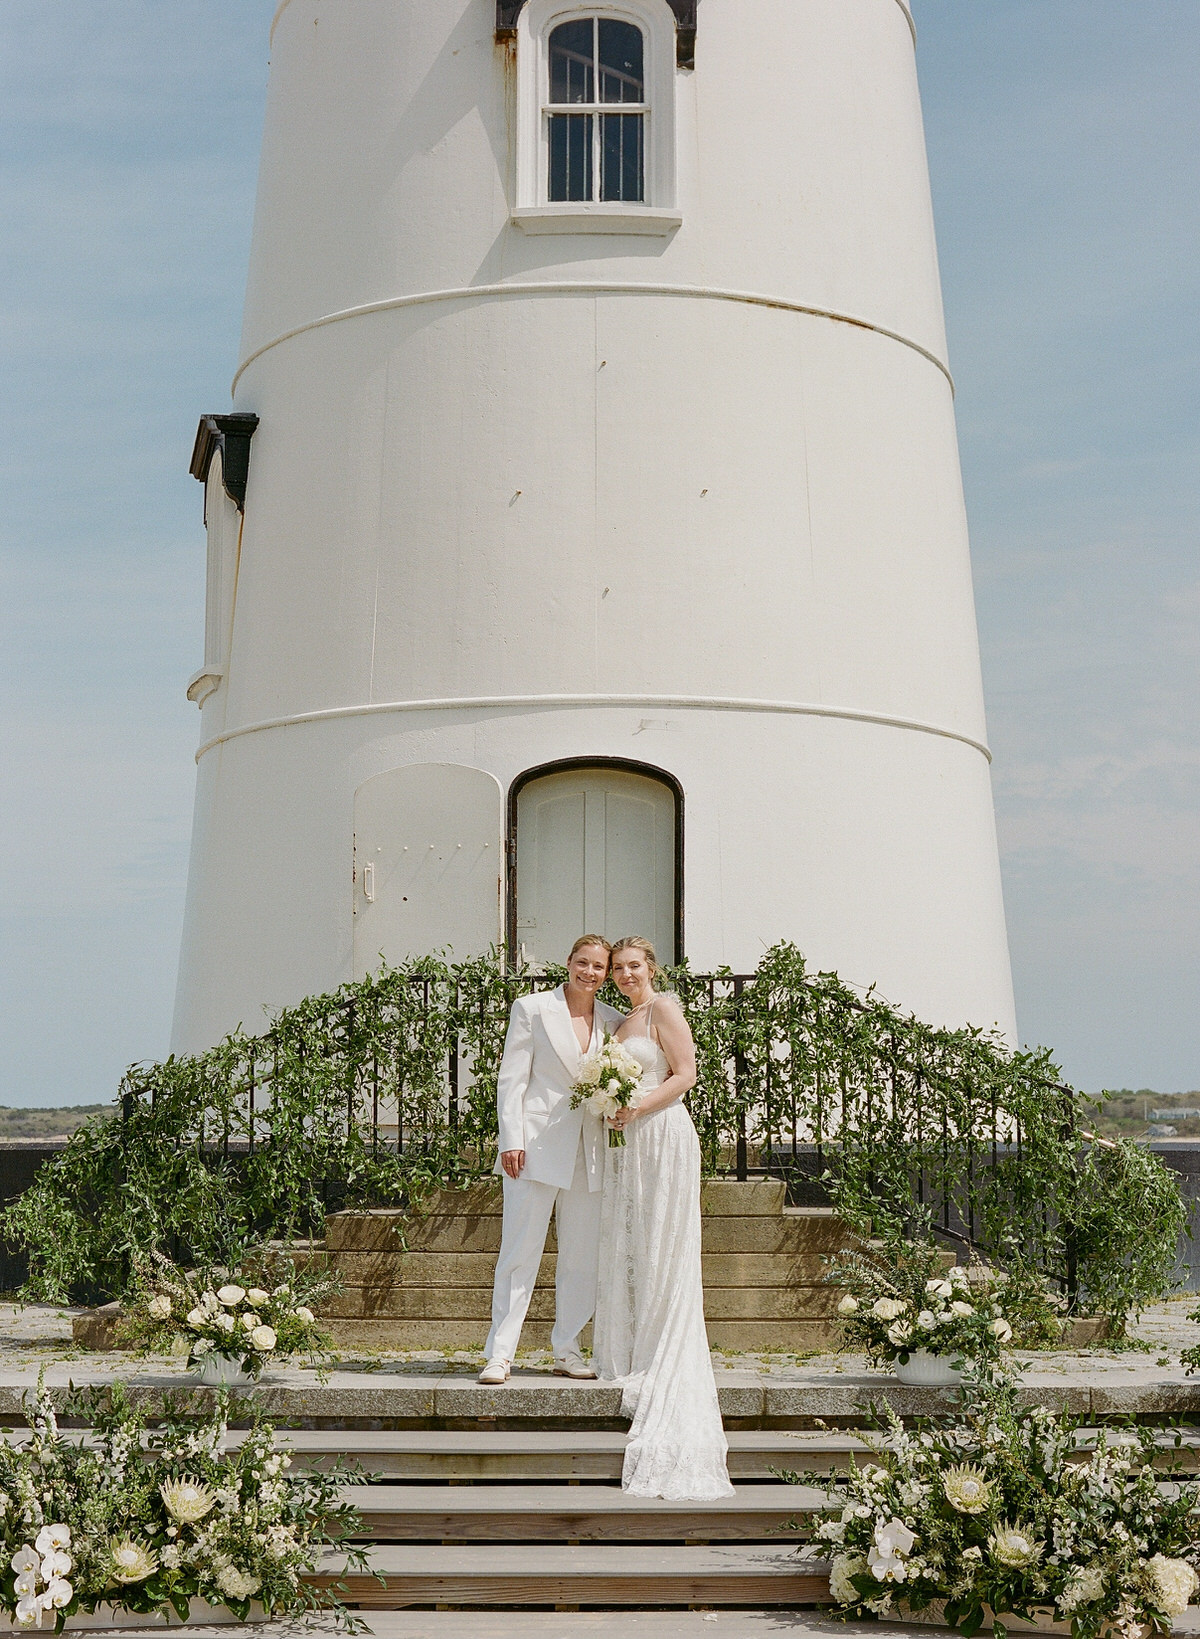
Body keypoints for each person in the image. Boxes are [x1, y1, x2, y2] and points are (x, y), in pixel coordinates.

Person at [592, 935, 734, 1499]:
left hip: (664, 1132)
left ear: (651, 968)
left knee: (665, 1241)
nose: (625, 975)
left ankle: (665, 1346)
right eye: (618, 969)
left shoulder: (664, 1008)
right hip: (630, 1143)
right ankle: (637, 1346)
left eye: (633, 966)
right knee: (637, 1241)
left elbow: (684, 1074)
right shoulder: (621, 1024)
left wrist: (636, 1106)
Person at [478, 935, 623, 1386]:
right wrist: (510, 1139)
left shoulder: (614, 1021)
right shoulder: (532, 1008)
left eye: (599, 967)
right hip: (534, 1148)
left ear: (607, 973)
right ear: (569, 962)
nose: (590, 973)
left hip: (590, 1151)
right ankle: (500, 1354)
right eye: (583, 963)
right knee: (520, 1252)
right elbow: (512, 1079)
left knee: (581, 1256)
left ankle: (567, 1348)